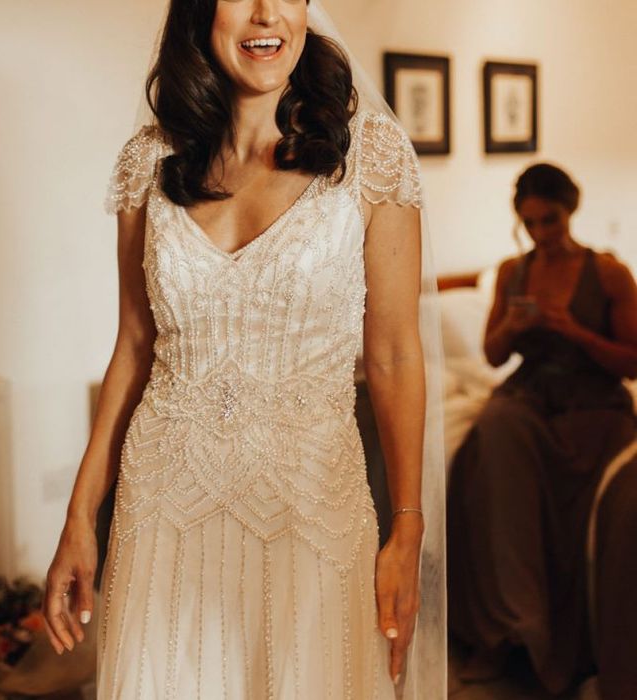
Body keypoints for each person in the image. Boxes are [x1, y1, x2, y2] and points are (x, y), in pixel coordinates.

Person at [42, 0, 446, 697]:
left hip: (312, 506)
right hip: (163, 507)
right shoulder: (150, 162)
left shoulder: (372, 155)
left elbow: (395, 356)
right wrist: (81, 515)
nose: (267, 13)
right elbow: (135, 345)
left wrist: (406, 525)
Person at [447, 162, 637, 696]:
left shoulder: (608, 274)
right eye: (529, 223)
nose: (540, 234)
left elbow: (631, 361)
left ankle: (575, 641)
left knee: (599, 491)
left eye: (548, 221)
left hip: (593, 401)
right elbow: (491, 354)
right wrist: (513, 323)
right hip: (531, 396)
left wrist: (574, 330)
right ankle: (509, 633)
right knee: (492, 440)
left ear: (569, 211)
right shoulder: (512, 273)